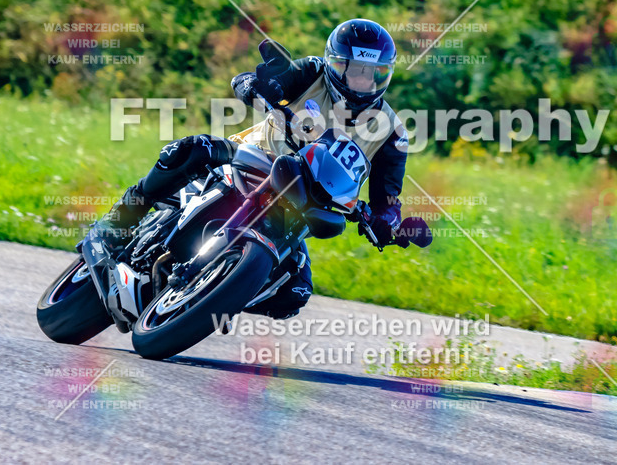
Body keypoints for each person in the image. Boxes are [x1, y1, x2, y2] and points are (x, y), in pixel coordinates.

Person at [88, 19, 411, 319]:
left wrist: (385, 222)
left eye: (373, 73)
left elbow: (388, 197)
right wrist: (258, 85)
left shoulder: (392, 132)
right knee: (190, 149)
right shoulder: (311, 72)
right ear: (333, 63)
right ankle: (118, 222)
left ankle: (211, 296)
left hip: (301, 203)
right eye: (353, 69)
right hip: (252, 158)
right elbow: (250, 81)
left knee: (293, 296)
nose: (362, 80)